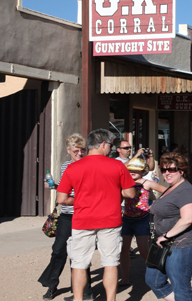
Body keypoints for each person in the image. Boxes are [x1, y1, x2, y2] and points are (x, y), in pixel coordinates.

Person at [57, 129, 136, 301]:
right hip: (110, 220)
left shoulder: (73, 167)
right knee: (110, 263)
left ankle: (78, 299)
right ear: (102, 144)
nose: (111, 149)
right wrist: (114, 192)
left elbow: (61, 198)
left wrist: (77, 201)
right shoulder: (117, 165)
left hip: (82, 220)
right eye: (110, 145)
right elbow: (130, 193)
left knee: (79, 264)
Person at [145, 153, 192, 301]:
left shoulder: (185, 190)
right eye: (164, 169)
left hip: (184, 243)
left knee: (180, 285)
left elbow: (187, 219)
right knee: (153, 280)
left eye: (172, 170)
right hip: (164, 243)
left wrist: (166, 236)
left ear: (181, 171)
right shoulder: (170, 188)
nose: (167, 173)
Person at [38, 133, 93, 301]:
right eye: (76, 151)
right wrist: (54, 186)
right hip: (67, 215)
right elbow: (66, 188)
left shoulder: (89, 165)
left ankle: (85, 291)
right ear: (68, 150)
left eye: (83, 150)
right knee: (58, 251)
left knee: (80, 255)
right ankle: (52, 285)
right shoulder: (65, 166)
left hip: (84, 215)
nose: (80, 154)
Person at [120, 158, 166, 286]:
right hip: (127, 219)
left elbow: (166, 191)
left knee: (143, 249)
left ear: (143, 171)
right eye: (130, 170)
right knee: (123, 250)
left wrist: (156, 205)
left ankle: (155, 273)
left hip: (142, 219)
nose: (133, 172)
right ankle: (125, 278)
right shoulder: (124, 182)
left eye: (136, 169)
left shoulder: (147, 183)